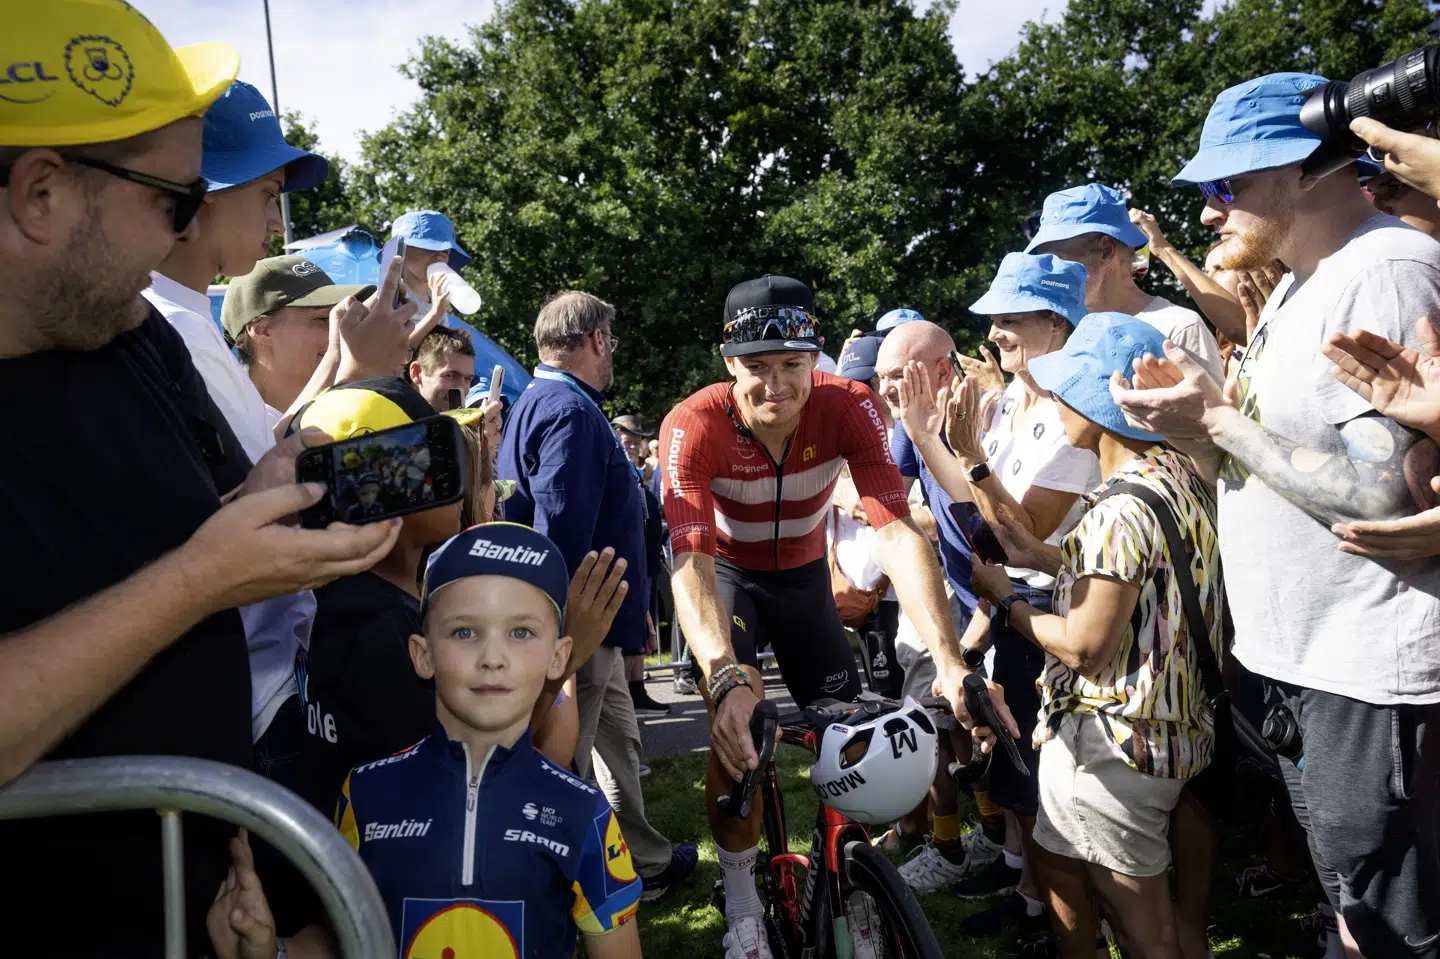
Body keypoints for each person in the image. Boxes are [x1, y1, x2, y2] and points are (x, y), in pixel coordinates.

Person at [0, 4, 402, 953]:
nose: (178, 246)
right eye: (173, 204)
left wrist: (268, 494)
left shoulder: (125, 336)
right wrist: (198, 582)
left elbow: (204, 524)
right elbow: (185, 575)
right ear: (41, 194)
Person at [1114, 71, 1440, 959]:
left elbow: (1385, 496)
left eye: (1228, 185)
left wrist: (1217, 420)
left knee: (1399, 924)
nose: (1211, 211)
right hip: (1297, 667)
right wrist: (1198, 427)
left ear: (1305, 170)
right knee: (1353, 906)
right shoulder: (1297, 283)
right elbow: (1265, 465)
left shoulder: (1385, 270)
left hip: (1367, 676)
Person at [660, 273, 1017, 959]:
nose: (776, 385)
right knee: (738, 730)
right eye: (756, 368)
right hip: (726, 576)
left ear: (814, 356)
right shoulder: (693, 422)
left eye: (791, 364)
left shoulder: (849, 405)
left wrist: (948, 660)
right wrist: (723, 676)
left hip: (800, 581)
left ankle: (846, 871)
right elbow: (692, 560)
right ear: (728, 362)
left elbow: (895, 530)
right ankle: (740, 902)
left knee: (845, 732)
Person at [207, 524, 644, 959]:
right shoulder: (363, 795)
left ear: (558, 656)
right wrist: (273, 951)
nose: (493, 658)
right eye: (465, 632)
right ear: (423, 654)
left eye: (521, 632)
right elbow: (340, 938)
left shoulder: (583, 813)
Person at [968, 313, 1224, 959]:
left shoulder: (1114, 510)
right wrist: (1048, 557)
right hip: (1178, 730)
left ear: (1098, 399)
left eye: (1064, 389)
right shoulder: (1178, 477)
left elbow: (1085, 644)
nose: (1052, 402)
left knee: (1143, 931)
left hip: (1116, 747)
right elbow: (1146, 581)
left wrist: (1008, 602)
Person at [892, 254, 1098, 938]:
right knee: (1018, 776)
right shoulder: (1009, 400)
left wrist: (964, 457)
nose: (997, 330)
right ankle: (1033, 897)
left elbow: (1016, 529)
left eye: (1013, 317)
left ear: (1056, 320)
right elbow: (976, 515)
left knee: (1050, 782)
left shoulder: (1077, 406)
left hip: (1062, 610)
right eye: (995, 318)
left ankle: (1069, 918)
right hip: (1013, 608)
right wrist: (930, 437)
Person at [499, 291, 697, 901]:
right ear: (596, 340)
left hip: (597, 622)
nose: (613, 353)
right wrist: (561, 634)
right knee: (567, 762)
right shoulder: (571, 412)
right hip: (580, 622)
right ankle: (569, 891)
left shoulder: (543, 402)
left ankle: (645, 858)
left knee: (619, 742)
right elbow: (560, 529)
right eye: (611, 340)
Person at [1027, 182, 1226, 384]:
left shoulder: (1178, 328)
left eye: (1059, 259)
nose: (1051, 272)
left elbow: (1216, 413)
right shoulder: (1064, 334)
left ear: (1106, 250)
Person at [409, 324, 476, 411]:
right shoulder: (393, 417)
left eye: (467, 379)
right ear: (417, 373)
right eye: (451, 376)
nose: (461, 388)